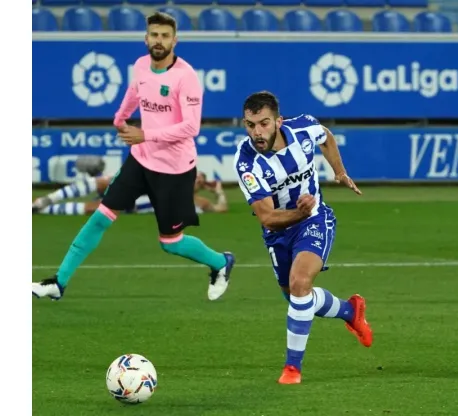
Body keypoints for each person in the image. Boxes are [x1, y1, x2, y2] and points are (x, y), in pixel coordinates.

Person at [31, 12, 235, 302]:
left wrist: (145, 134)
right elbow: (135, 91)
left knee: (171, 243)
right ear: (146, 38)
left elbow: (192, 127)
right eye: (154, 35)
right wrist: (120, 118)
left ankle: (220, 262)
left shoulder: (186, 77)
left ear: (175, 40)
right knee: (101, 216)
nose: (159, 41)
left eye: (165, 36)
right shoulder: (141, 65)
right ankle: (58, 283)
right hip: (140, 160)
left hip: (175, 171)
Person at [234, 91, 371, 385]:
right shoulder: (246, 163)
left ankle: (292, 369)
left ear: (278, 121)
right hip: (279, 231)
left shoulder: (303, 128)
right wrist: (299, 210)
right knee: (296, 297)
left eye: (263, 123)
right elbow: (268, 218)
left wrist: (340, 172)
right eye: (250, 125)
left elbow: (327, 137)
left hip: (314, 219)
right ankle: (350, 310)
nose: (257, 132)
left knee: (299, 284)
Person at [33, 169, 228, 215]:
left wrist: (219, 192)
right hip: (132, 187)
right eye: (196, 176)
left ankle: (40, 210)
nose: (196, 180)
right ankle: (47, 200)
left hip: (132, 204)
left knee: (95, 208)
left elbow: (221, 209)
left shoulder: (197, 201)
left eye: (200, 181)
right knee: (103, 181)